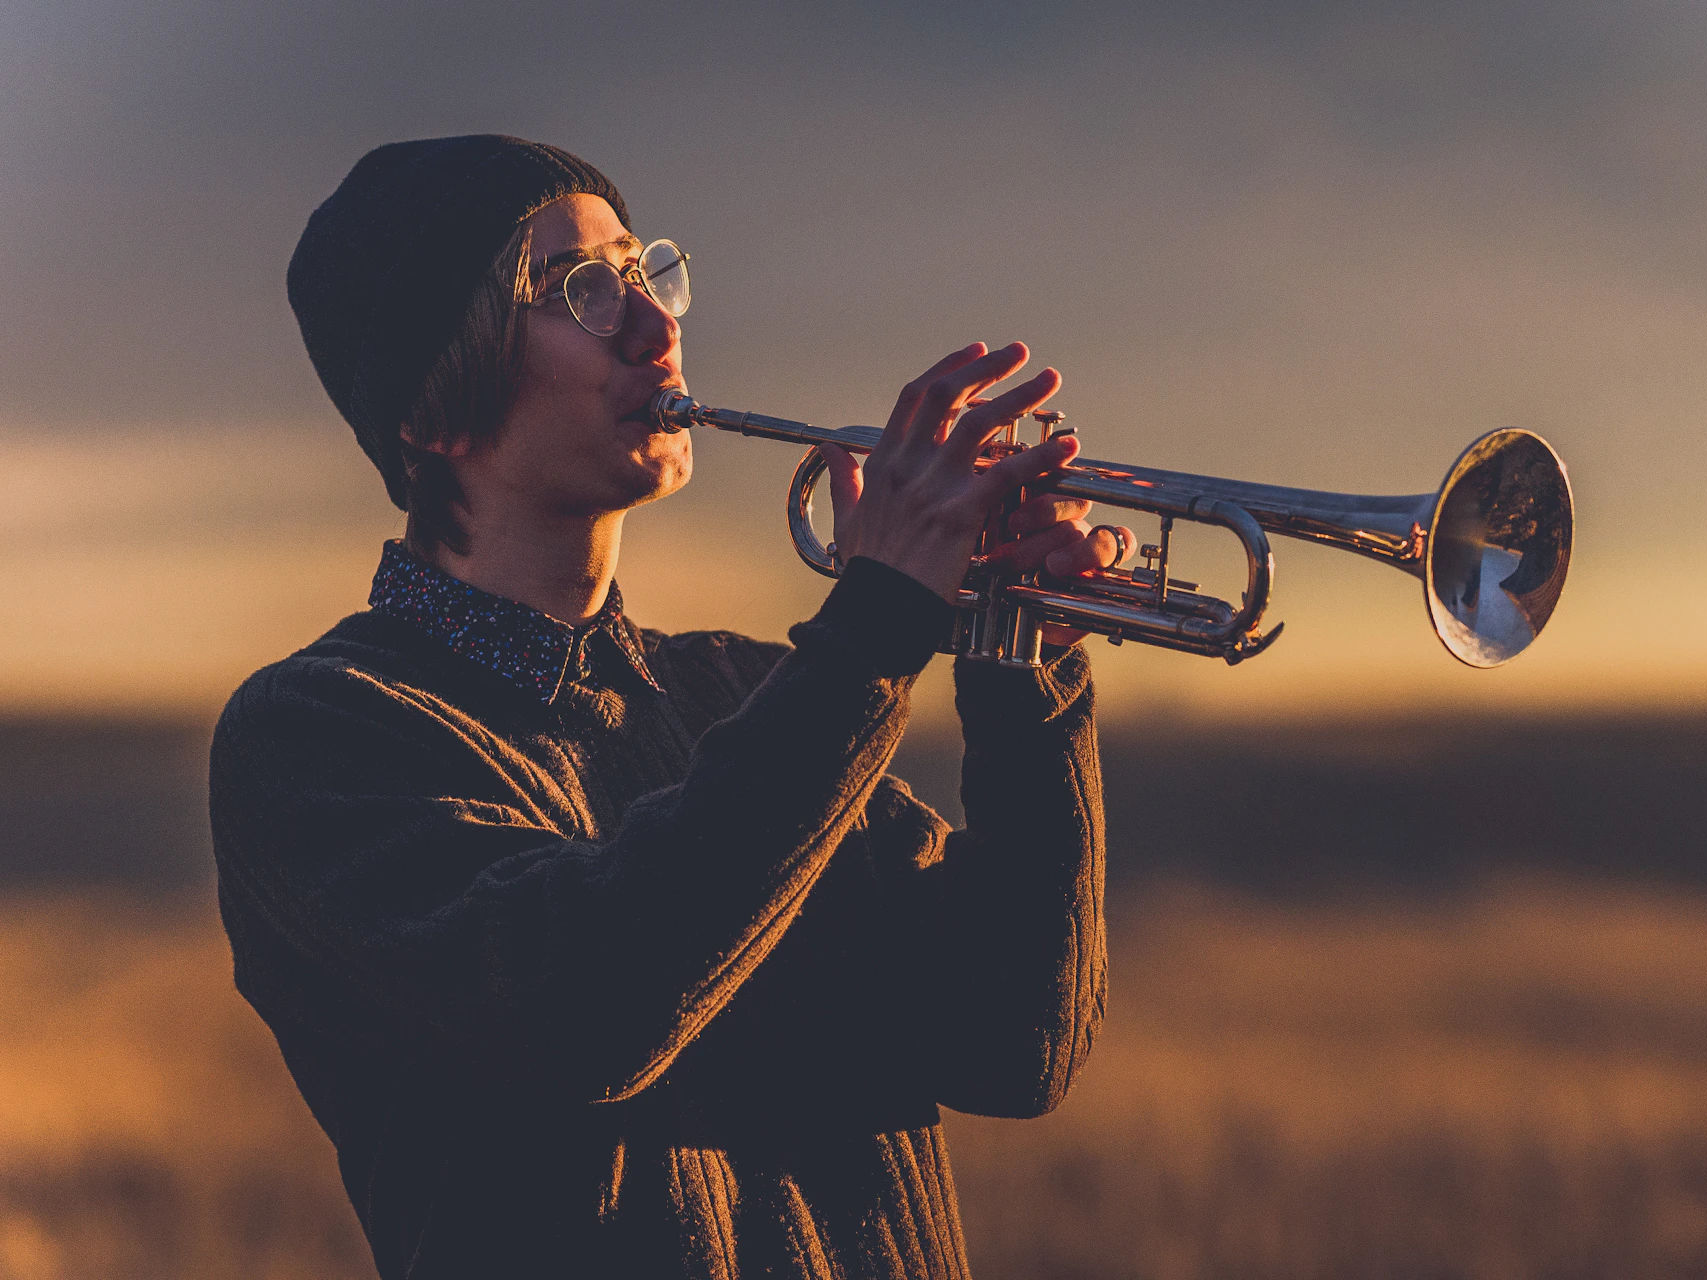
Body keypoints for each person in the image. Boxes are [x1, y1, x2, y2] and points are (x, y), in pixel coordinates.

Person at [209, 134, 1130, 1278]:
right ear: (433, 404)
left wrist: (1013, 660)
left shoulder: (744, 692)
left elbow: (1013, 1040)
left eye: (645, 271)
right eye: (579, 291)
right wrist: (878, 626)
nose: (656, 324)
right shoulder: (321, 735)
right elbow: (583, 1006)